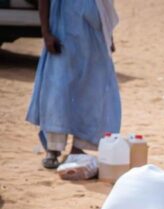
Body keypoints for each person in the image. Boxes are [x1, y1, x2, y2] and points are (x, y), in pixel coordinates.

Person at [27, 0, 121, 170]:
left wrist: (109, 36)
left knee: (91, 91)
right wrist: (46, 33)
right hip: (62, 32)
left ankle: (77, 148)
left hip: (94, 34)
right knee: (56, 90)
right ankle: (53, 150)